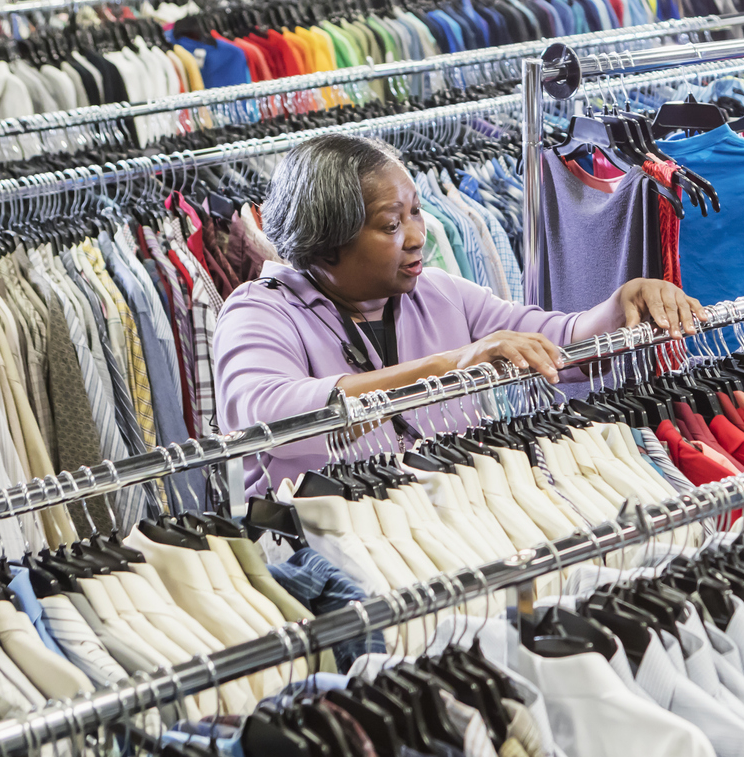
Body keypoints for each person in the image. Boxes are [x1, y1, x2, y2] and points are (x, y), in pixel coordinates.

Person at [218, 132, 704, 493]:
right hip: (323, 544)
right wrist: (448, 366)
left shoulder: (439, 293)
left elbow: (559, 344)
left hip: (455, 512)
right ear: (325, 242)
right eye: (391, 224)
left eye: (415, 212)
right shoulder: (259, 310)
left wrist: (620, 306)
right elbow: (268, 417)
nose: (417, 235)